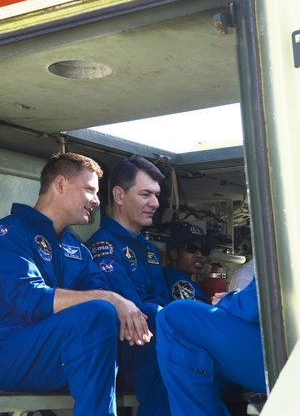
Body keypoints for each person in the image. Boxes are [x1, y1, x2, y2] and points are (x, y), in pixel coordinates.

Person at [0, 152, 152, 416]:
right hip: (9, 350)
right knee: (99, 312)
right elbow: (31, 299)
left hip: (54, 352)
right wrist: (109, 300)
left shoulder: (76, 249)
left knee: (156, 318)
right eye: (90, 190)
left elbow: (103, 289)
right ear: (60, 185)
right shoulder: (11, 232)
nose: (96, 200)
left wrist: (124, 305)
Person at [86, 154, 171, 416]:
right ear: (119, 195)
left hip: (157, 345)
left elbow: (165, 301)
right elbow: (134, 314)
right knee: (155, 317)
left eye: (156, 195)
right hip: (123, 352)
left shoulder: (148, 250)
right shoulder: (103, 248)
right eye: (146, 194)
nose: (155, 203)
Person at [156, 277, 266, 416]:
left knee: (173, 317)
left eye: (205, 253)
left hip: (287, 359)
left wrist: (228, 300)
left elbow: (254, 305)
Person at [164, 222, 210, 302]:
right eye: (191, 248)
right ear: (175, 254)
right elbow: (198, 312)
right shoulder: (178, 281)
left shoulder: (166, 275)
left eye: (204, 250)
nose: (199, 255)